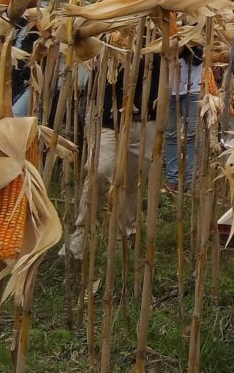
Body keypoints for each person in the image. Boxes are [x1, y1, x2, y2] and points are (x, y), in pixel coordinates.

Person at [67, 60, 158, 259]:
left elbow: (191, 56)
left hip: (145, 118)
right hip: (105, 116)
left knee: (132, 180)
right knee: (99, 170)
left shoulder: (163, 31)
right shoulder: (108, 34)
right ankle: (83, 232)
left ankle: (124, 237)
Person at [165, 45, 202, 192]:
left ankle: (190, 179)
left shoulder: (200, 31)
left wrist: (186, 48)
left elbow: (199, 58)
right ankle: (173, 179)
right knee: (171, 135)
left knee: (191, 135)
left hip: (193, 89)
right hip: (170, 89)